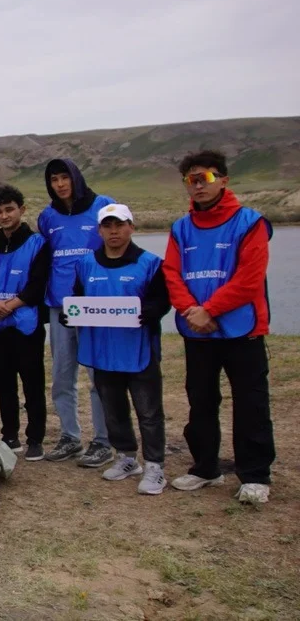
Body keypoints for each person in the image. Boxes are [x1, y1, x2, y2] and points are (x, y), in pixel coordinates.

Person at [163, 150, 274, 504]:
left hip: (242, 329)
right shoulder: (180, 228)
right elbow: (172, 274)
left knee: (251, 402)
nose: (198, 186)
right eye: (191, 180)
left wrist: (209, 309)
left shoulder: (250, 222)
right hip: (197, 331)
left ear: (223, 180)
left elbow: (250, 278)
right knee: (201, 400)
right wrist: (191, 311)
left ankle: (255, 474)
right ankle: (205, 468)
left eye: (205, 178)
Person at [63, 204, 170, 495]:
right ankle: (126, 457)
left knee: (149, 411)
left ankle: (155, 466)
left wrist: (148, 312)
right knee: (113, 408)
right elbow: (78, 299)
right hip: (103, 351)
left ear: (131, 227)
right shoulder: (86, 264)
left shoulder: (150, 263)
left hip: (138, 350)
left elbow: (162, 301)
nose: (114, 231)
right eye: (107, 226)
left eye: (120, 225)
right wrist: (70, 314)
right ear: (99, 231)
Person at [38, 158, 116, 467]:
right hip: (60, 305)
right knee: (61, 375)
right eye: (54, 179)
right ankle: (70, 436)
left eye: (64, 177)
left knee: (98, 375)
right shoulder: (47, 216)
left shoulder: (103, 205)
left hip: (94, 305)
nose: (60, 184)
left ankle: (103, 440)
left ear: (75, 177)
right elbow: (45, 258)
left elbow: (117, 249)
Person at [0, 185, 50, 461]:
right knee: (3, 383)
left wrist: (6, 307)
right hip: (0, 327)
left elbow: (37, 285)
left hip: (27, 325)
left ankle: (35, 438)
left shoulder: (38, 244)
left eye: (9, 209)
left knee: (32, 382)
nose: (4, 216)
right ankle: (9, 435)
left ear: (21, 210)